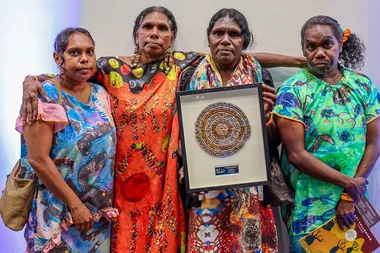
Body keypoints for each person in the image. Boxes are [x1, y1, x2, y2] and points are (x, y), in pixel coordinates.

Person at [21, 6, 305, 252]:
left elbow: (234, 53)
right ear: (137, 34)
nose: (154, 33)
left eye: (163, 28)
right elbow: (70, 71)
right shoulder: (108, 68)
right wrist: (31, 80)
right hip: (115, 184)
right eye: (148, 27)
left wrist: (297, 61)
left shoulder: (184, 66)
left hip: (162, 185)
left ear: (171, 38)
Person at [272, 15, 380, 252]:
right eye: (311, 46)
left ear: (340, 44)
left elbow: (374, 143)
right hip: (309, 207)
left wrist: (349, 196)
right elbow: (296, 155)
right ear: (303, 49)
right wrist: (349, 184)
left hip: (353, 205)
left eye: (327, 44)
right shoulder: (293, 91)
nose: (319, 52)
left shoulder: (363, 86)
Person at [179, 8, 279, 253]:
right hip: (204, 192)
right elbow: (180, 133)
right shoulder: (190, 76)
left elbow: (273, 141)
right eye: (218, 33)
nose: (225, 40)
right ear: (209, 38)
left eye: (233, 34)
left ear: (243, 40)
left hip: (250, 189)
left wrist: (264, 116)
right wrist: (188, 163)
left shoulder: (260, 76)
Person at [15, 27, 117, 252]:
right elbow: (38, 159)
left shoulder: (101, 94)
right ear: (57, 58)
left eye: (90, 52)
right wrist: (75, 206)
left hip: (97, 218)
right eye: (75, 53)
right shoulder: (45, 96)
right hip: (57, 216)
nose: (84, 59)